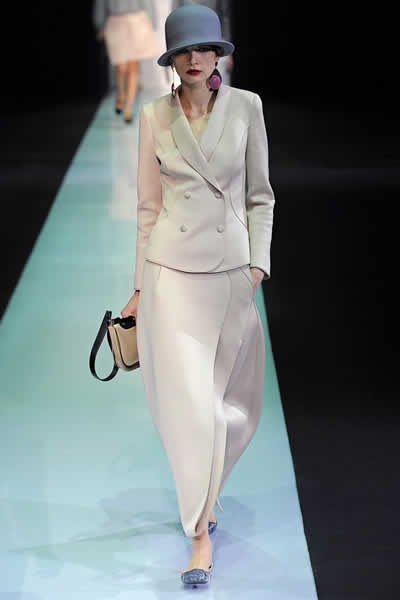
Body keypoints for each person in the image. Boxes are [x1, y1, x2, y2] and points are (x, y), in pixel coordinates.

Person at [121, 4, 275, 587]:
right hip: (172, 276)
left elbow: (261, 195)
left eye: (203, 48)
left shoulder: (247, 107)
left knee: (233, 409)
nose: (194, 58)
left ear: (218, 55)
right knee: (190, 410)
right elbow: (148, 208)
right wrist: (139, 289)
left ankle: (207, 496)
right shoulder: (153, 116)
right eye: (184, 50)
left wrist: (257, 263)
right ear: (171, 59)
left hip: (231, 274)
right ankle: (199, 536)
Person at [93, 0, 161, 122]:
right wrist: (100, 25)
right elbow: (100, 4)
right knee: (120, 66)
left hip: (137, 21)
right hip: (116, 22)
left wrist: (152, 21)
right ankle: (121, 95)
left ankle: (129, 108)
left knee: (133, 66)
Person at [171, 0, 234, 84]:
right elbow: (174, 21)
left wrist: (228, 53)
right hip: (186, 44)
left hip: (214, 44)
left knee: (219, 82)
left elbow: (225, 17)